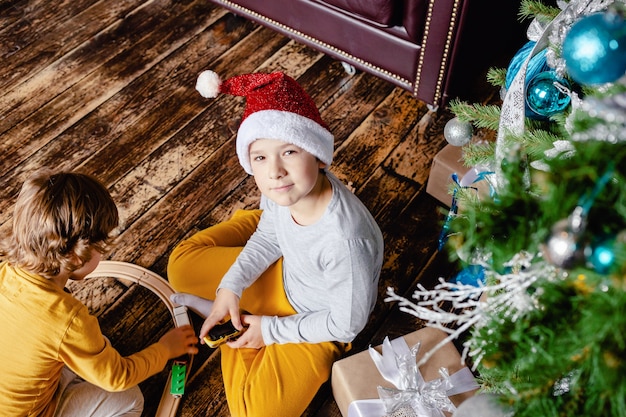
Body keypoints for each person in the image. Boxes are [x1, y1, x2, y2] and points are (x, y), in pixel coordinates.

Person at [167, 70, 384, 416]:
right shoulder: (282, 190)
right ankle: (237, 305)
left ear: (318, 155)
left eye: (290, 152)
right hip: (283, 270)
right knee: (179, 269)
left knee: (255, 412)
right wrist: (231, 287)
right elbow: (270, 236)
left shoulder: (346, 241)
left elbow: (345, 324)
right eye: (260, 158)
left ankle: (240, 330)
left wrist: (269, 331)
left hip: (317, 320)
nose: (275, 172)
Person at [0, 171, 198, 417]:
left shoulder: (5, 272)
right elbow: (118, 377)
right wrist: (165, 349)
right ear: (75, 254)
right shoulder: (69, 321)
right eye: (100, 248)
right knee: (130, 398)